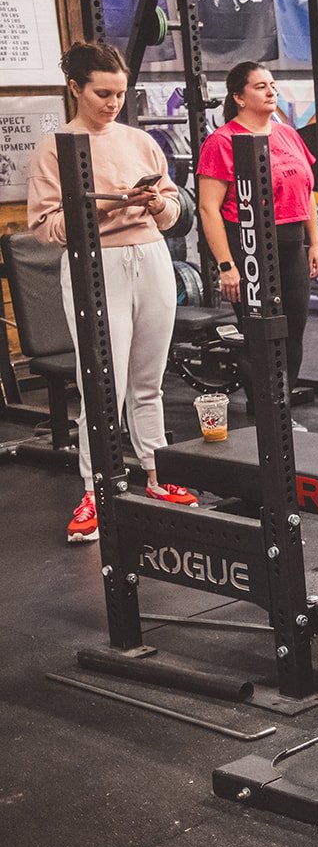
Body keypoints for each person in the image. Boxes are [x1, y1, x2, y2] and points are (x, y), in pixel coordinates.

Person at [27, 41, 197, 544]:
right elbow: (46, 228)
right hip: (95, 264)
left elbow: (172, 210)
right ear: (75, 88)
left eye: (120, 94)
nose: (112, 103)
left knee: (149, 380)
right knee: (102, 386)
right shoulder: (54, 146)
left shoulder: (140, 141)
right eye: (102, 93)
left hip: (151, 257)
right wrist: (107, 208)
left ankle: (155, 472)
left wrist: (154, 204)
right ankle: (94, 489)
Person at [195, 62, 318, 424]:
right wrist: (226, 265)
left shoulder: (288, 135)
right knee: (260, 335)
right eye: (260, 86)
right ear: (238, 97)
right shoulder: (221, 142)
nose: (271, 92)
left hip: (292, 242)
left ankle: (280, 410)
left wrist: (314, 245)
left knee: (293, 328)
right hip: (247, 245)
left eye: (273, 85)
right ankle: (265, 414)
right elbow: (208, 208)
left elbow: (307, 192)